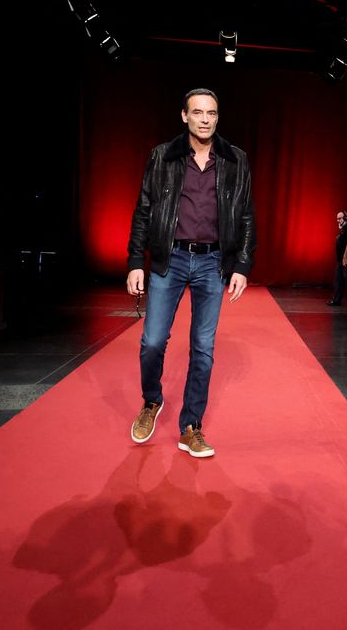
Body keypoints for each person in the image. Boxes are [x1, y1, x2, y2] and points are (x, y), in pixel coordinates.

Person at [126, 87, 256, 459]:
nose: (204, 119)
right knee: (152, 342)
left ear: (217, 117)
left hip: (213, 263)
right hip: (171, 259)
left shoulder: (235, 159)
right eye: (197, 112)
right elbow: (144, 210)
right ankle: (152, 401)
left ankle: (190, 427)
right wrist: (136, 260)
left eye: (211, 113)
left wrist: (242, 265)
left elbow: (246, 213)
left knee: (203, 348)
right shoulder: (162, 156)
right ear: (184, 116)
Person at [327, 210, 347, 306]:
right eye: (337, 218)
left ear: (345, 218)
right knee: (338, 281)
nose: (338, 220)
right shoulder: (344, 228)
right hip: (340, 260)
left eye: (340, 218)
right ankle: (336, 300)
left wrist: (345, 257)